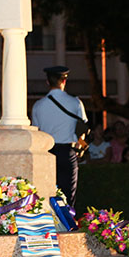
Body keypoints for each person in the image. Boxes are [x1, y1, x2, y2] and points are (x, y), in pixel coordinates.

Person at [30, 65, 88, 208]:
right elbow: (83, 127)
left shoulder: (38, 105)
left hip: (46, 153)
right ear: (64, 81)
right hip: (67, 152)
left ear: (47, 82)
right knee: (68, 196)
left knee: (46, 193)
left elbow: (37, 131)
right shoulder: (75, 102)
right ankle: (68, 226)